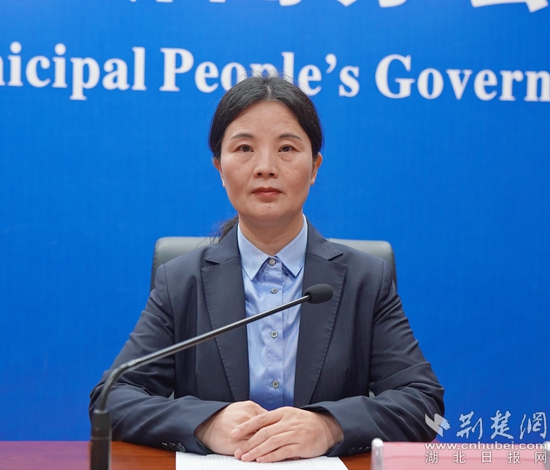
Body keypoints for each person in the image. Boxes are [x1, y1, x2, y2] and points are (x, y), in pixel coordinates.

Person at [89, 75, 444, 463]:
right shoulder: (181, 281)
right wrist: (206, 423)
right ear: (219, 168)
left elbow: (424, 404)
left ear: (314, 166)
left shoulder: (365, 280)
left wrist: (329, 426)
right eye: (244, 148)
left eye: (287, 148)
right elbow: (112, 399)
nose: (265, 167)